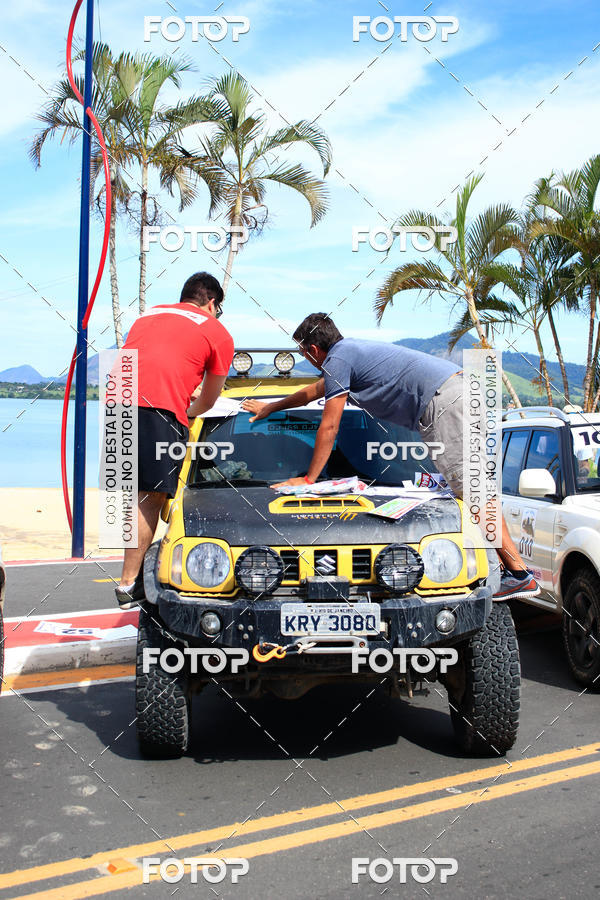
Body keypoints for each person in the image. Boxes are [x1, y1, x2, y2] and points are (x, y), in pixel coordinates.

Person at [242, 312, 539, 601]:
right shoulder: (349, 354)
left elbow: (330, 424)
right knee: (474, 490)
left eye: (304, 353)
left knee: (474, 492)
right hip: (453, 394)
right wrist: (270, 408)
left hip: (446, 401)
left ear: (314, 349)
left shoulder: (339, 359)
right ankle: (511, 567)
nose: (307, 359)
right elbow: (314, 391)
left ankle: (518, 573)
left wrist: (309, 479)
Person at [113, 272, 234, 609]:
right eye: (217, 308)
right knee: (151, 498)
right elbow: (208, 403)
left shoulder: (148, 315)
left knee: (132, 493)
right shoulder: (216, 331)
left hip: (117, 402)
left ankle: (129, 577)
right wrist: (187, 411)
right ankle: (128, 585)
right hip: (158, 406)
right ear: (212, 302)